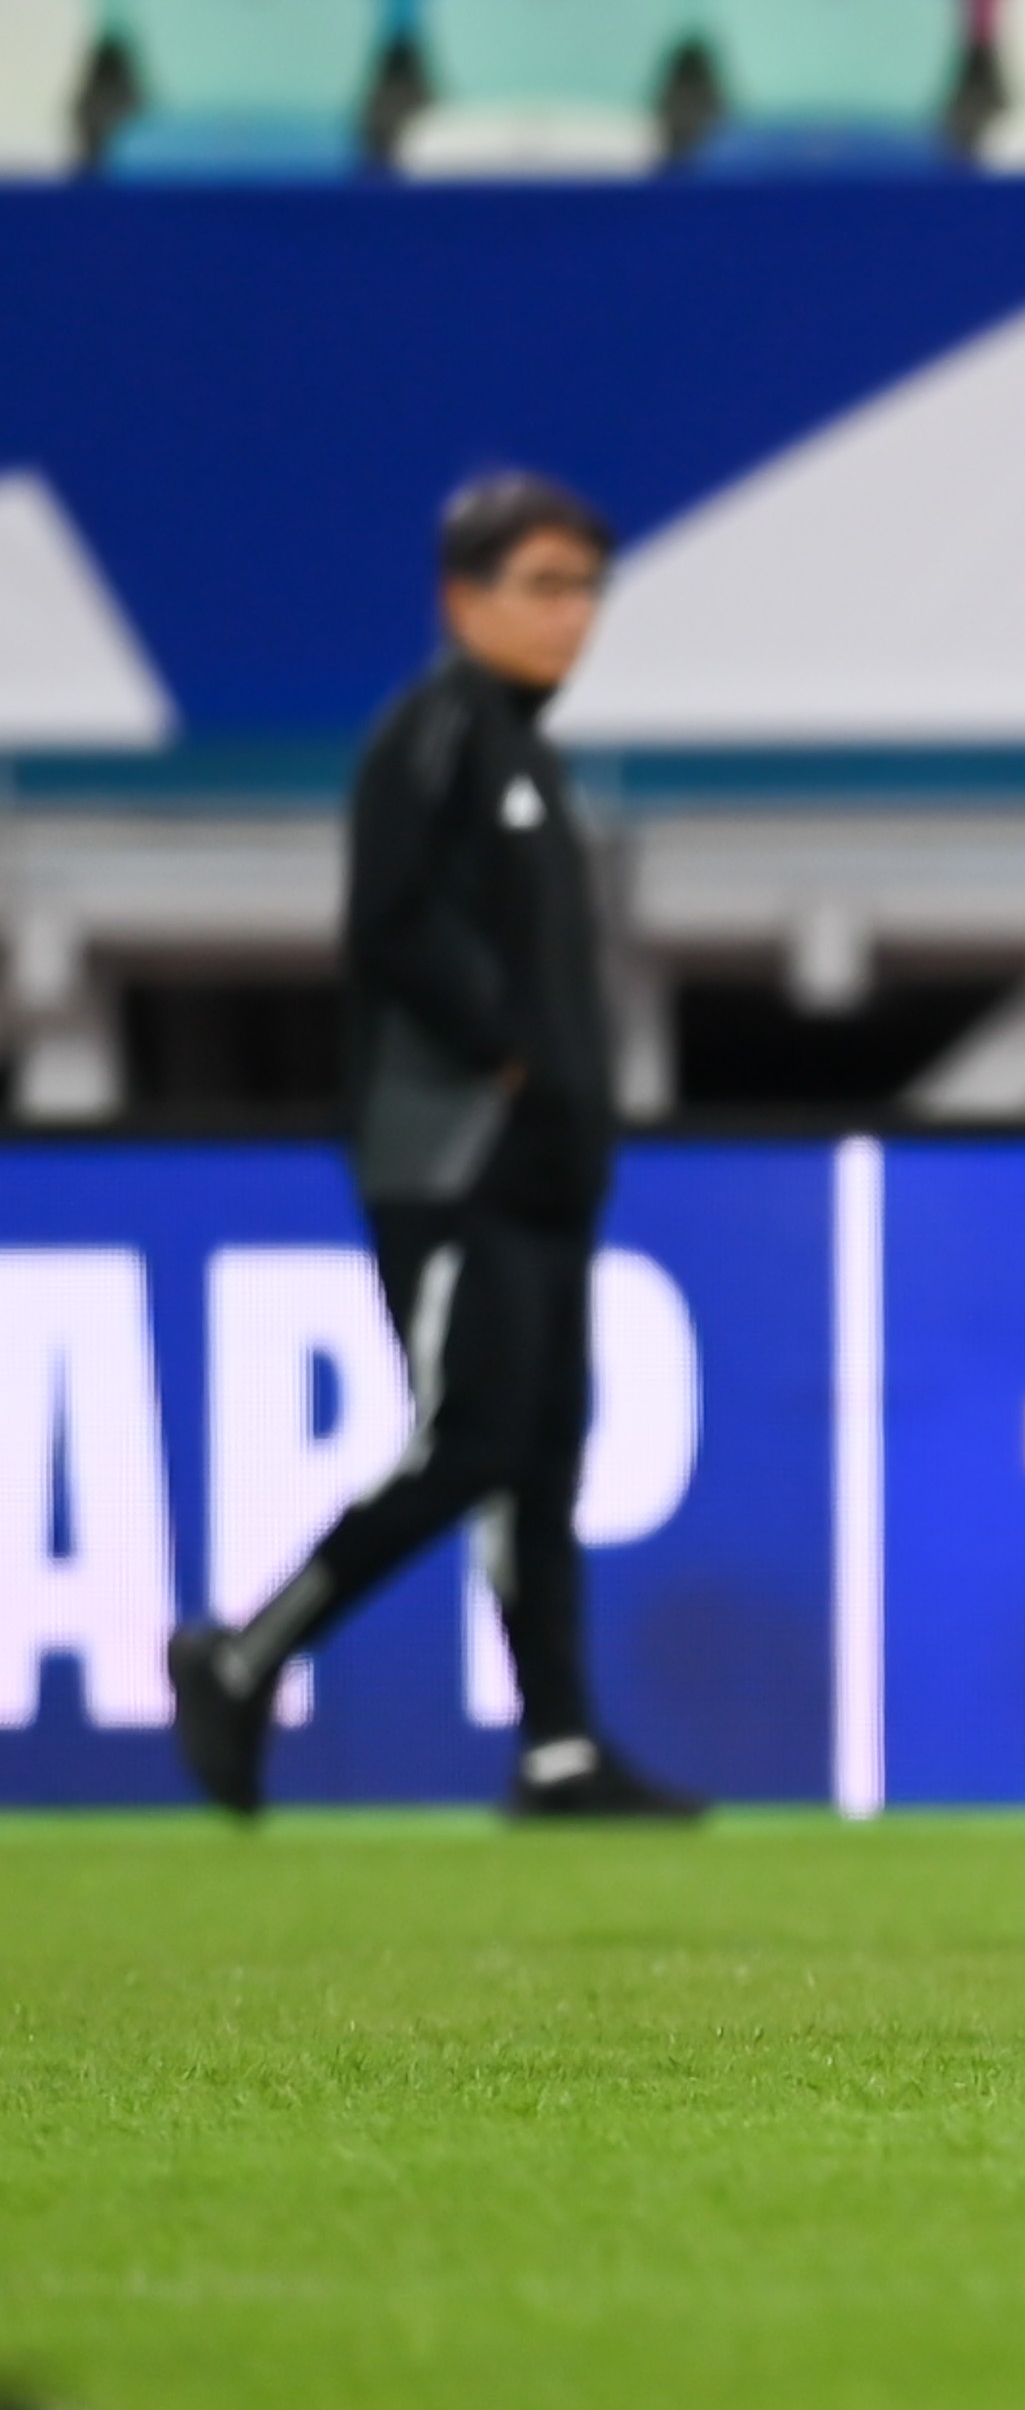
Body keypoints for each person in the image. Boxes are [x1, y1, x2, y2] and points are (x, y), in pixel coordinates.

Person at [166, 475, 703, 1821]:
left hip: (543, 1169)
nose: (571, 615)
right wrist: (508, 1055)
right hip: (456, 1162)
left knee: (541, 1453)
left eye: (585, 589)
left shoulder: (528, 757)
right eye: (542, 585)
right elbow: (392, 924)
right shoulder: (436, 734)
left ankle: (558, 1748)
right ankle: (242, 1657)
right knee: (473, 1439)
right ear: (463, 599)